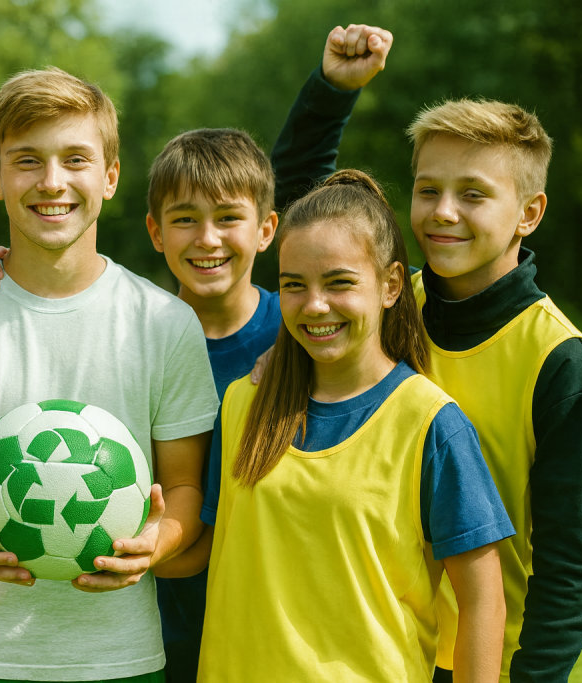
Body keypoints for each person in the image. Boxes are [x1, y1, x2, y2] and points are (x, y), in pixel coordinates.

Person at [0, 24, 394, 682]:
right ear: (155, 232)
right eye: (185, 219)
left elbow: (295, 191)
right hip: (156, 616)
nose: (208, 239)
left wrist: (330, 91)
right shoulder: (139, 332)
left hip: (279, 620)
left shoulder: (300, 333)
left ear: (267, 232)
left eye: (227, 220)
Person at [0, 67, 219, 682]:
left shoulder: (165, 323)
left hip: (117, 657)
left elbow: (184, 491)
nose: (52, 182)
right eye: (26, 161)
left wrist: (158, 543)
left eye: (76, 159)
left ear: (111, 175)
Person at [198, 170, 513, 681]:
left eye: (339, 282)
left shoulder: (431, 423)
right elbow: (203, 551)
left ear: (390, 285)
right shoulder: (243, 403)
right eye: (293, 285)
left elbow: (483, 601)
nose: (315, 305)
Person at [404, 100, 582, 681]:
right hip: (378, 649)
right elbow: (291, 214)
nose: (443, 212)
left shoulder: (562, 361)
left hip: (488, 664)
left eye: (473, 194)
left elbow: (571, 565)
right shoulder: (387, 310)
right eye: (427, 189)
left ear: (528, 213)